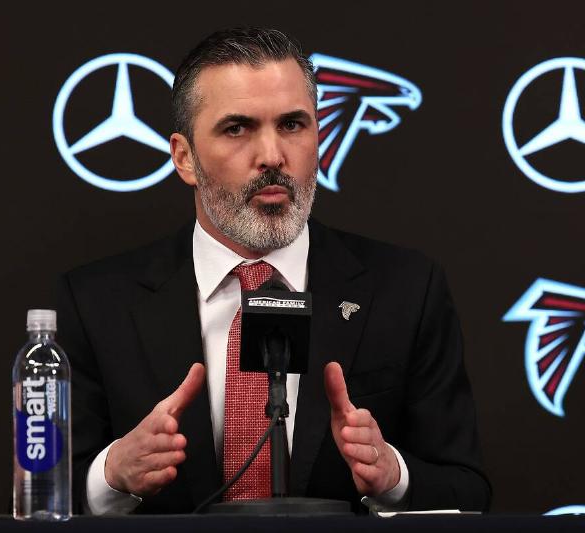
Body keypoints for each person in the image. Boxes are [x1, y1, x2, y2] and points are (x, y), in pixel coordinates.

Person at [58, 27, 491, 515]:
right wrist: (113, 474)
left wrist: (392, 476)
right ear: (184, 157)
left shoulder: (407, 290)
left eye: (292, 125)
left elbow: (468, 492)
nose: (271, 156)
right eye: (237, 128)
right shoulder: (96, 303)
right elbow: (37, 498)